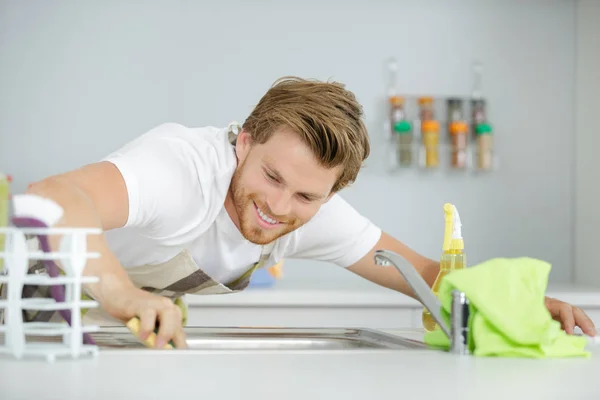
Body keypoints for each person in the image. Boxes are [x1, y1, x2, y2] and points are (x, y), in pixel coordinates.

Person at [24, 76, 596, 349]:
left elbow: (421, 275)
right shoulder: (182, 169)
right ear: (244, 142)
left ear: (330, 195)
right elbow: (52, 196)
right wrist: (125, 295)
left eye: (306, 198)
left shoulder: (314, 211)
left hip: (87, 343)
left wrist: (522, 302)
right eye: (272, 177)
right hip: (20, 308)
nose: (278, 207)